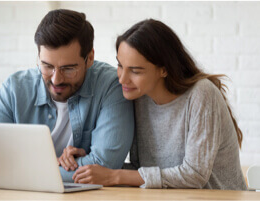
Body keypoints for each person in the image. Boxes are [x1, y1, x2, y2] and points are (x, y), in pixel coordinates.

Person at [71, 19, 247, 190]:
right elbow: (143, 171)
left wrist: (114, 176)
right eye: (120, 65)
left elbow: (194, 175)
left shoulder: (201, 94)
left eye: (135, 70)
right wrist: (92, 165)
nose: (122, 78)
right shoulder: (139, 98)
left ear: (164, 69)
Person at [0, 9, 134, 183]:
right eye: (47, 66)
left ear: (89, 58)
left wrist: (14, 170)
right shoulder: (15, 89)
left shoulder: (111, 86)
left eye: (68, 69)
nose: (56, 79)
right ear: (38, 57)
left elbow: (105, 166)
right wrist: (56, 165)